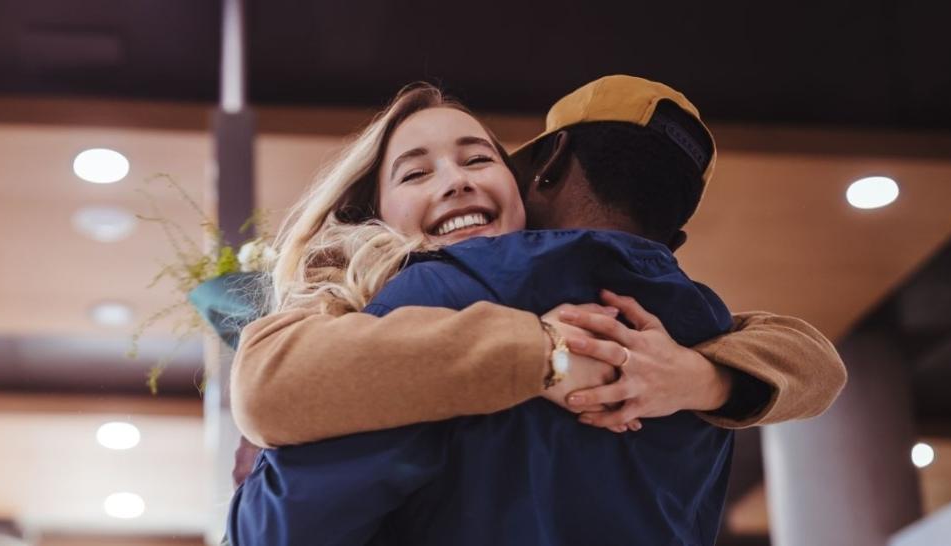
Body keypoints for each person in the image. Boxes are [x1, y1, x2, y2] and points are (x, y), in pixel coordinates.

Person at [226, 76, 848, 544]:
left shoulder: (431, 301)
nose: (457, 182)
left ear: (536, 178)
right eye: (416, 173)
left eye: (479, 159)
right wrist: (551, 355)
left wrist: (696, 374)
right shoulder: (690, 329)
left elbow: (280, 521)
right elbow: (816, 364)